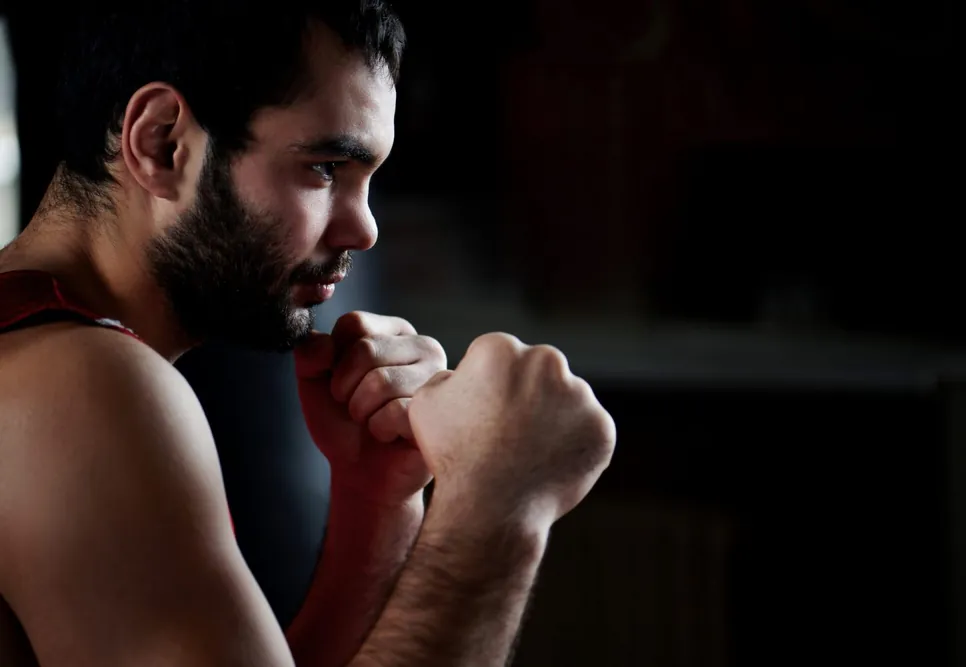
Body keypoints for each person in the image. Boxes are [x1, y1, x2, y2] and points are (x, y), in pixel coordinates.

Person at [0, 2, 616, 666]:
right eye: (325, 167)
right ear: (162, 144)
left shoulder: (45, 349)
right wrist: (496, 509)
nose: (365, 230)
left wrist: (375, 502)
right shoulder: (79, 385)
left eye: (368, 180)